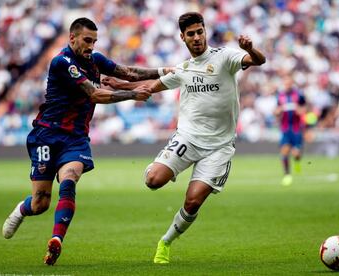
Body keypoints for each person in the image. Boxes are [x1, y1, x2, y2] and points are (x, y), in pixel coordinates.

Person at [1, 17, 171, 266]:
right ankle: (22, 210)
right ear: (72, 38)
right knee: (41, 203)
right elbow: (95, 94)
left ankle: (56, 240)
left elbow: (129, 72)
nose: (91, 46)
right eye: (87, 40)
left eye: (94, 41)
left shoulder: (95, 60)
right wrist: (132, 94)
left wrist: (162, 71)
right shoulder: (62, 62)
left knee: (69, 180)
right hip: (47, 136)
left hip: (75, 138)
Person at [102, 12, 265, 264]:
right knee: (153, 180)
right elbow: (150, 87)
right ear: (182, 37)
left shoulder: (225, 57)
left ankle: (165, 242)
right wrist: (119, 86)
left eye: (200, 31)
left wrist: (251, 48)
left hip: (219, 147)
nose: (197, 37)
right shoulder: (183, 69)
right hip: (187, 138)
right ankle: (159, 165)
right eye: (191, 34)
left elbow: (259, 61)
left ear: (205, 31)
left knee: (192, 201)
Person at [274, 74, 306, 186]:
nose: (287, 85)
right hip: (285, 129)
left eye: (289, 83)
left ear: (292, 83)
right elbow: (276, 111)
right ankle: (287, 175)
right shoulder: (280, 96)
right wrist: (278, 112)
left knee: (296, 153)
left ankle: (297, 161)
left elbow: (305, 109)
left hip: (296, 129)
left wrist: (300, 110)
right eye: (285, 83)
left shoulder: (299, 95)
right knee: (284, 151)